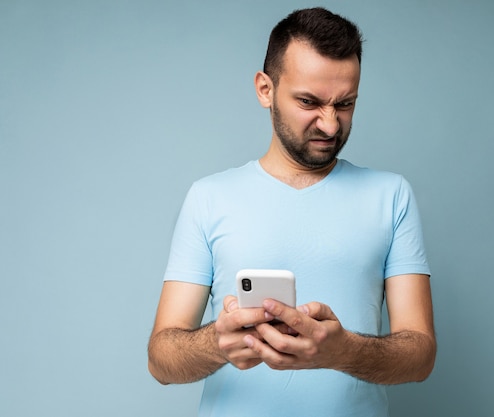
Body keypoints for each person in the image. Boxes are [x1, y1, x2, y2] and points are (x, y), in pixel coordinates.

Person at [148, 7, 436, 416]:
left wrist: (342, 352)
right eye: (309, 102)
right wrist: (217, 343)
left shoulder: (391, 196)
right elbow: (161, 360)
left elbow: (421, 355)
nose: (331, 125)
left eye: (346, 103)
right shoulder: (208, 197)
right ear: (265, 89)